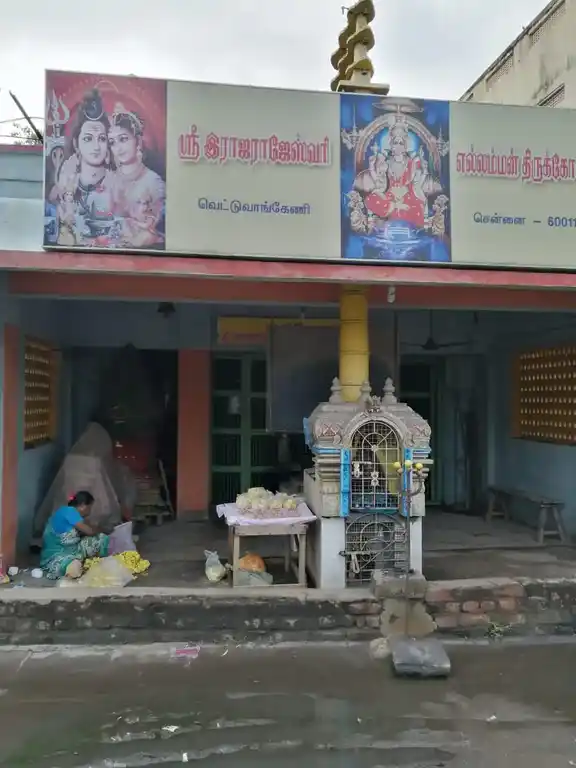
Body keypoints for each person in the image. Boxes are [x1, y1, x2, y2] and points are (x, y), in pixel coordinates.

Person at [49, 88, 115, 246]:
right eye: (88, 139)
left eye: (102, 138)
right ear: (76, 144)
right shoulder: (65, 186)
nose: (96, 146)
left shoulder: (117, 184)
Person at [108, 103, 166, 248]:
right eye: (112, 142)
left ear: (138, 141)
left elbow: (158, 229)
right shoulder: (109, 180)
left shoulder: (154, 182)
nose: (118, 148)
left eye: (123, 139)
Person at [41, 491, 110, 580]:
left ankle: (96, 564)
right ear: (82, 505)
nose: (90, 511)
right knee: (74, 568)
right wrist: (104, 529)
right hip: (56, 555)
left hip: (72, 551)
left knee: (101, 539)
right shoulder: (69, 511)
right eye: (90, 507)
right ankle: (79, 567)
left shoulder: (70, 513)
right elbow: (89, 531)